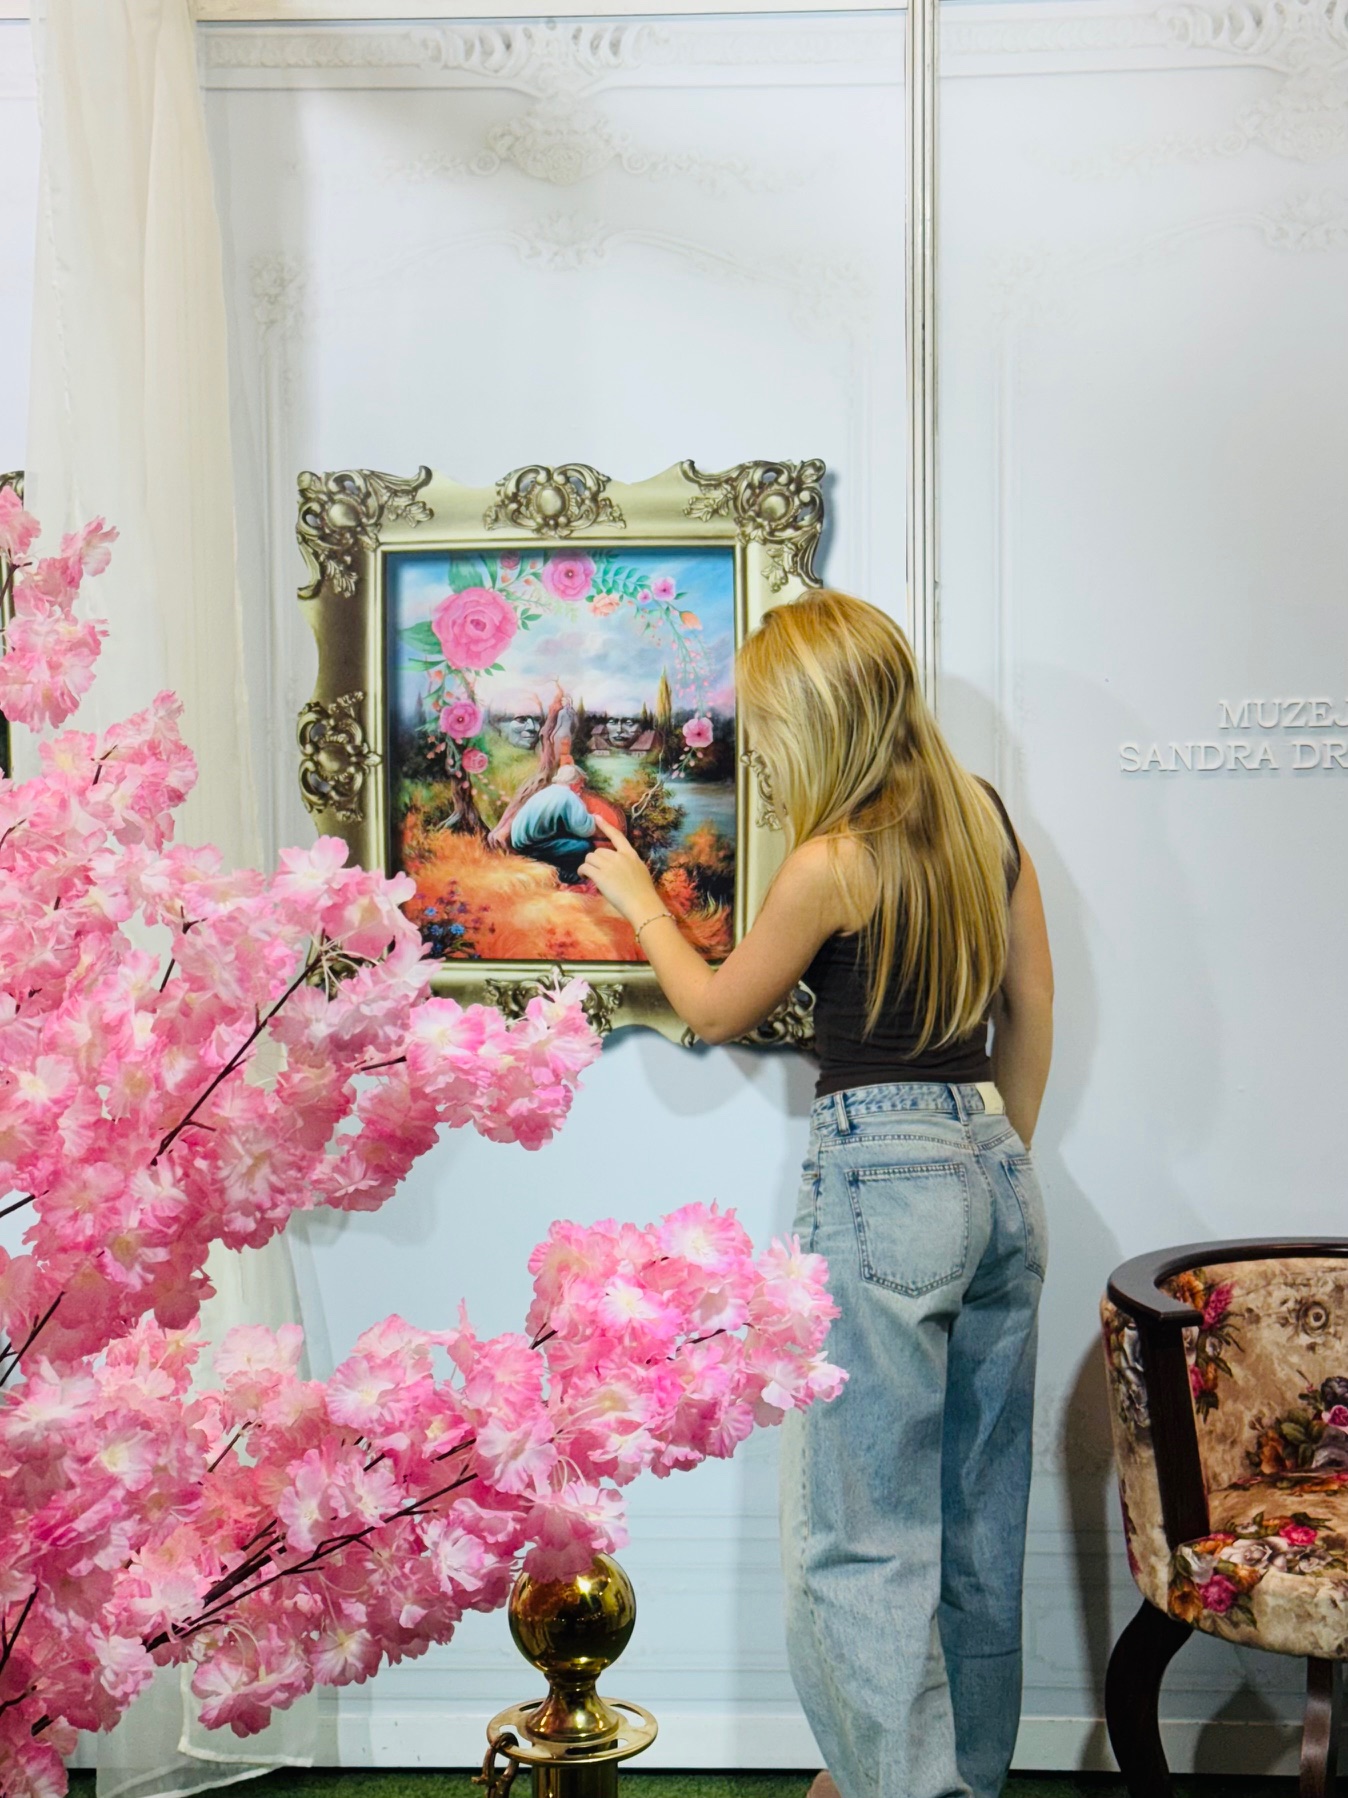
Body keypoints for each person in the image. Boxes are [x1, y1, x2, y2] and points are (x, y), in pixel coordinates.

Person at [579, 591, 1054, 1798]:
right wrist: (992, 1154)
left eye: (768, 720)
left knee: (862, 1530)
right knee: (973, 1521)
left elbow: (714, 1007)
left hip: (881, 1175)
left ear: (817, 718)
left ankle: (901, 1783)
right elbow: (1032, 1004)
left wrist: (638, 899)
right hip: (994, 1165)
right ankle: (939, 1775)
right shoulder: (983, 820)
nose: (757, 744)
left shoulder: (831, 860)